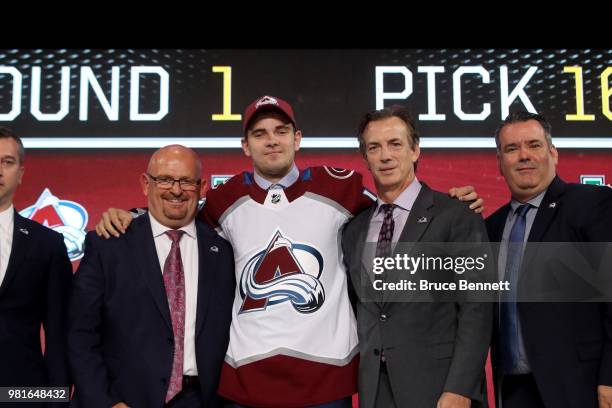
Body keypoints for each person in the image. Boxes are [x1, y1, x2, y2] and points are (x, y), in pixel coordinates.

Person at [95, 96, 483, 407]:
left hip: (326, 379)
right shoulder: (222, 198)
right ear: (245, 145)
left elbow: (401, 208)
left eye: (281, 131)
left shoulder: (342, 189)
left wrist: (447, 200)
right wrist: (130, 216)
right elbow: (175, 215)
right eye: (260, 133)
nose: (272, 140)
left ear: (298, 138)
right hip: (243, 381)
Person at [342, 105, 493, 408]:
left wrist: (460, 388)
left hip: (440, 389)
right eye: (374, 147)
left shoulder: (456, 215)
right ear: (365, 158)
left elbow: (477, 309)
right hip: (375, 389)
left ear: (415, 150)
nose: (385, 156)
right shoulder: (354, 229)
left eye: (395, 144)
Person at [68, 145, 235, 408]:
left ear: (202, 187)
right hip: (123, 399)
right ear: (146, 184)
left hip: (200, 401)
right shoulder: (109, 244)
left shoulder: (223, 252)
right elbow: (80, 333)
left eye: (187, 181)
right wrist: (105, 402)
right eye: (165, 180)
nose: (176, 190)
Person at [485, 111, 612, 408]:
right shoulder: (489, 227)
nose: (524, 156)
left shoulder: (592, 205)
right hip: (513, 388)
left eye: (534, 145)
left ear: (553, 153)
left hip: (581, 386)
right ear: (499, 163)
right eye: (512, 149)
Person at [0, 127, 72, 406]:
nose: (0, 170)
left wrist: (56, 400)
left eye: (7, 162)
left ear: (20, 174)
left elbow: (59, 335)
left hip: (21, 397)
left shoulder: (47, 244)